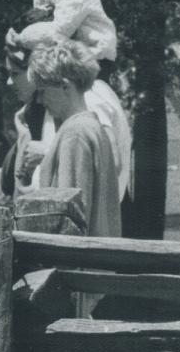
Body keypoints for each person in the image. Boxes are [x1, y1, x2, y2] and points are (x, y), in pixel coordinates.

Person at [28, 41, 121, 239]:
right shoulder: (94, 128)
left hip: (76, 265)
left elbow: (70, 221)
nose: (39, 100)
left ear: (64, 85)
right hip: (100, 261)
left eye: (42, 91)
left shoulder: (75, 134)